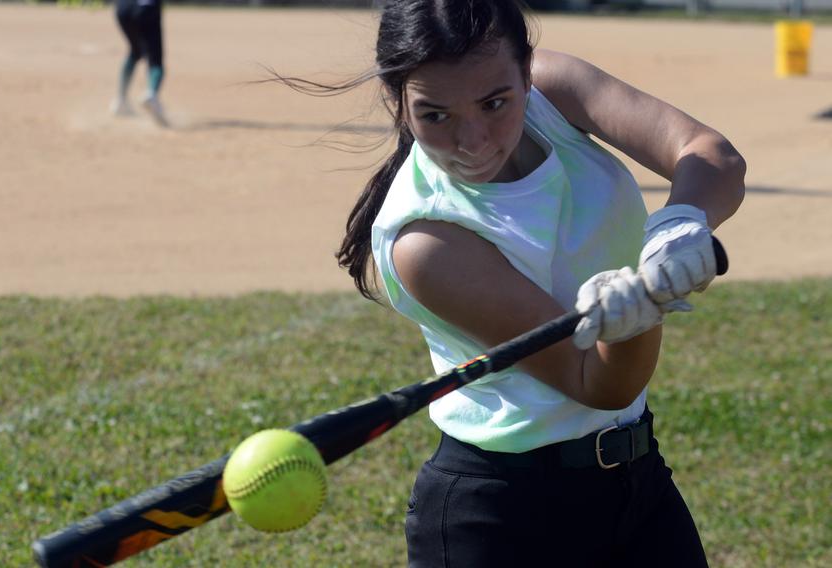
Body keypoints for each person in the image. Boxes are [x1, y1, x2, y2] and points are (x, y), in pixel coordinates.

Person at [285, 0, 745, 565]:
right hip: (504, 519)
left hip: (638, 482)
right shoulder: (425, 242)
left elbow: (710, 155)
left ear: (526, 71)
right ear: (396, 100)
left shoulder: (554, 91)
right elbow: (597, 382)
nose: (472, 141)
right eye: (435, 115)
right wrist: (639, 316)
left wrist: (681, 222)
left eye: (495, 103)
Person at [111, 0, 168, 127]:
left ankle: (121, 100)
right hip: (146, 8)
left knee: (135, 51)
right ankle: (151, 94)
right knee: (156, 60)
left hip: (123, 9)